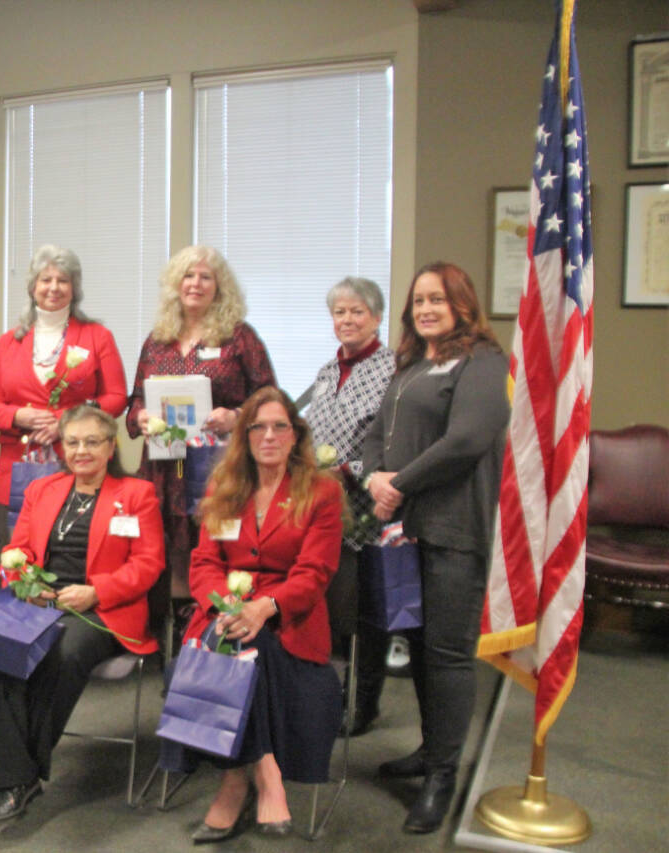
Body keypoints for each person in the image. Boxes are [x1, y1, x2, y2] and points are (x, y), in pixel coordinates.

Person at [361, 261, 508, 834]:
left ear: (462, 305)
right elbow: (379, 429)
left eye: (437, 300)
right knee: (418, 646)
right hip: (407, 528)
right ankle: (428, 749)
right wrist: (374, 475)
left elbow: (467, 439)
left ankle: (443, 774)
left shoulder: (483, 362)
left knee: (446, 653)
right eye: (418, 300)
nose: (425, 309)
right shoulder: (413, 363)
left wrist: (396, 484)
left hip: (453, 529)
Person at [0, 405, 164, 822]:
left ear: (111, 445)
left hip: (102, 611)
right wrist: (27, 581)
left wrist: (96, 591)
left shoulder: (136, 495)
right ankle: (20, 776)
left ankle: (13, 775)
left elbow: (148, 564)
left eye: (92, 441)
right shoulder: (43, 490)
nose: (81, 450)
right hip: (40, 600)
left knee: (63, 650)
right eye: (73, 442)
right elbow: (18, 550)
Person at [179, 387, 344, 842]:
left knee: (254, 647)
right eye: (258, 427)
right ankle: (263, 770)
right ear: (244, 435)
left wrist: (265, 606)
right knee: (239, 641)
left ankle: (237, 780)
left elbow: (315, 571)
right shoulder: (224, 485)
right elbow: (205, 564)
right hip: (225, 607)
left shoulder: (322, 490)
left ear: (296, 434)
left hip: (292, 610)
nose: (269, 436)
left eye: (280, 426)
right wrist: (228, 606)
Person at [127, 245, 275, 601]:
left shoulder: (240, 337)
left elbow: (269, 399)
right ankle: (174, 635)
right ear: (175, 284)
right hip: (164, 467)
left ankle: (215, 626)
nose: (195, 284)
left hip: (218, 467)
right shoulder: (157, 340)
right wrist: (141, 417)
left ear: (219, 286)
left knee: (217, 548)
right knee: (165, 553)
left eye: (205, 277)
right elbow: (134, 401)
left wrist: (236, 417)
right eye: (188, 276)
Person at [302, 276, 396, 735]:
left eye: (357, 311)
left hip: (367, 503)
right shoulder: (325, 372)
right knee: (333, 603)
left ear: (376, 317)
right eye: (340, 312)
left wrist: (348, 468)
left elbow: (394, 443)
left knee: (365, 608)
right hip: (322, 506)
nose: (347, 320)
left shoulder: (394, 369)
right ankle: (328, 692)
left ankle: (364, 702)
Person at [0, 245, 127, 515]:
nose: (54, 287)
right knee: (21, 550)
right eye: (46, 280)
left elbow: (116, 398)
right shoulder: (8, 342)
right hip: (19, 462)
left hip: (82, 460)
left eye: (63, 280)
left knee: (78, 543)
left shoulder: (98, 336)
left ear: (74, 288)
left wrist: (67, 421)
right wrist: (17, 415)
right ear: (33, 287)